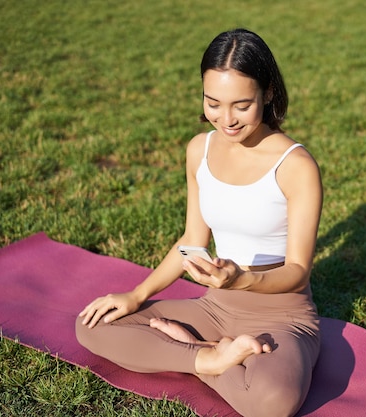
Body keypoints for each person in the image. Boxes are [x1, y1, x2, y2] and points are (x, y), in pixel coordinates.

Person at [75, 28, 323, 417]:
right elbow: (192, 239)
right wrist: (137, 296)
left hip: (281, 314)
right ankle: (209, 359)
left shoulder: (295, 165)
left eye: (241, 105)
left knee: (273, 402)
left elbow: (298, 271)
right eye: (213, 103)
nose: (226, 119)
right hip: (215, 308)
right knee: (92, 325)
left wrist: (241, 279)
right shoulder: (199, 149)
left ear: (269, 92)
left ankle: (193, 352)